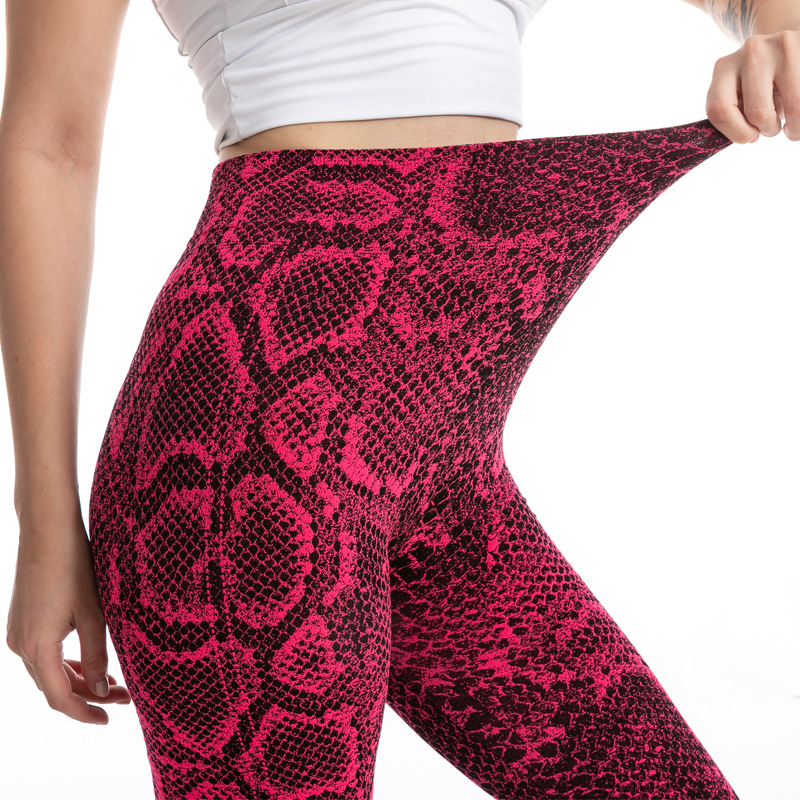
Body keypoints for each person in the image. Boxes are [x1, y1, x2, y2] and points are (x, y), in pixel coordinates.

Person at [1, 0, 797, 798]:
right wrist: (43, 524)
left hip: (448, 473)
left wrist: (779, 37)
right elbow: (49, 147)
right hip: (246, 462)